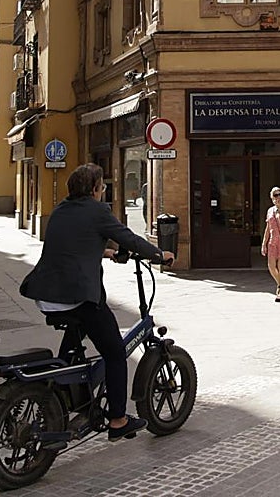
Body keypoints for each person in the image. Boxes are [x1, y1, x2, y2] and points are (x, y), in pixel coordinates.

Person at [18, 163, 174, 442]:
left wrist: (106, 254)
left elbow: (72, 245)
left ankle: (64, 386)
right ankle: (118, 419)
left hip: (46, 295)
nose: (103, 191)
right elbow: (128, 237)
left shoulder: (60, 210)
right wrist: (159, 254)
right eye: (102, 186)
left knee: (77, 331)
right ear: (94, 189)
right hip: (75, 295)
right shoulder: (97, 210)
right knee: (115, 352)